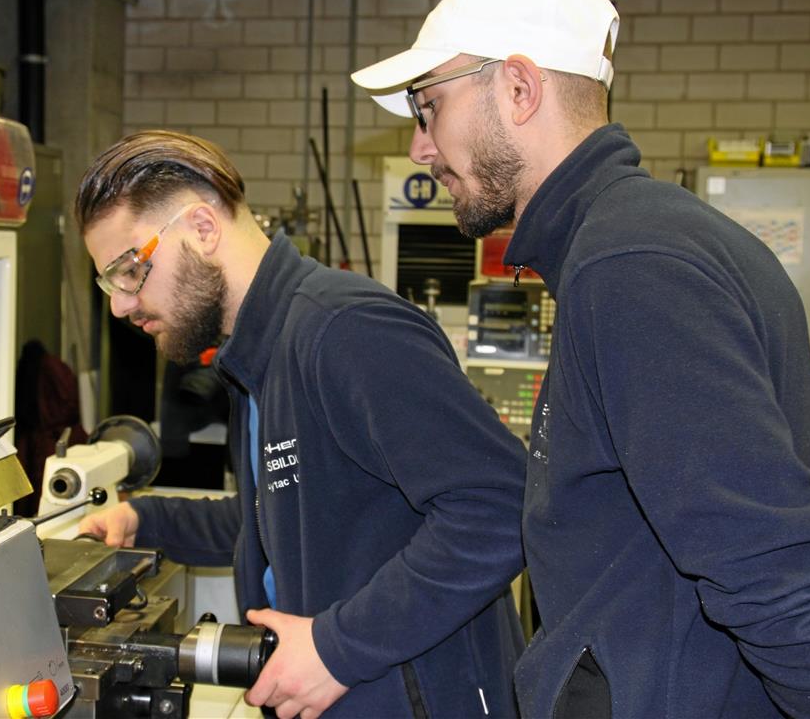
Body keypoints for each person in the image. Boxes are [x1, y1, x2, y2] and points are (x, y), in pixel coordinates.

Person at [352, 0, 810, 717]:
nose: (421, 148)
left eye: (428, 108)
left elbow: (774, 571)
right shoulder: (637, 244)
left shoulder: (632, 266)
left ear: (518, 88)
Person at [75, 130, 528, 718]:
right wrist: (145, 518)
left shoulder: (344, 330)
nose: (120, 304)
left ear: (202, 229)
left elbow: (500, 505)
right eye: (107, 281)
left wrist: (336, 648)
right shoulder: (255, 357)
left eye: (129, 269)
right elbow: (288, 518)